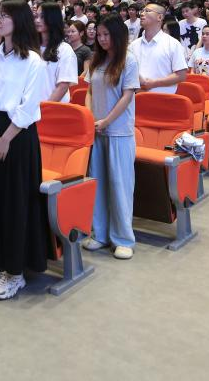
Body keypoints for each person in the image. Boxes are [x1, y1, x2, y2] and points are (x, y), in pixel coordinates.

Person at [0, 0, 49, 301]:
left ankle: (14, 272)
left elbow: (29, 106)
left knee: (15, 202)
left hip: (18, 134)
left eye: (5, 15)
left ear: (19, 21)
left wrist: (6, 138)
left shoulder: (33, 60)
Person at [82, 14, 140, 260]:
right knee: (98, 183)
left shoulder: (129, 60)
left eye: (106, 34)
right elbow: (89, 91)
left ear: (117, 35)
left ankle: (123, 238)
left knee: (120, 186)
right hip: (97, 131)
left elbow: (127, 96)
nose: (102, 39)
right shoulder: (97, 60)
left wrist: (106, 120)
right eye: (99, 35)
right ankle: (101, 234)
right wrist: (89, 117)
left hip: (119, 131)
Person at [129, 3, 188, 93]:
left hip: (163, 98)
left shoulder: (173, 44)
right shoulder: (133, 45)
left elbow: (181, 76)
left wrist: (153, 83)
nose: (142, 14)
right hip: (136, 97)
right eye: (142, 11)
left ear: (159, 17)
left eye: (147, 11)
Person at [37, 2, 78, 102]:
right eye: (36, 16)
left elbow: (63, 86)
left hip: (53, 107)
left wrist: (45, 108)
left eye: (42, 17)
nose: (37, 20)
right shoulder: (31, 47)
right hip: (31, 107)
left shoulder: (64, 49)